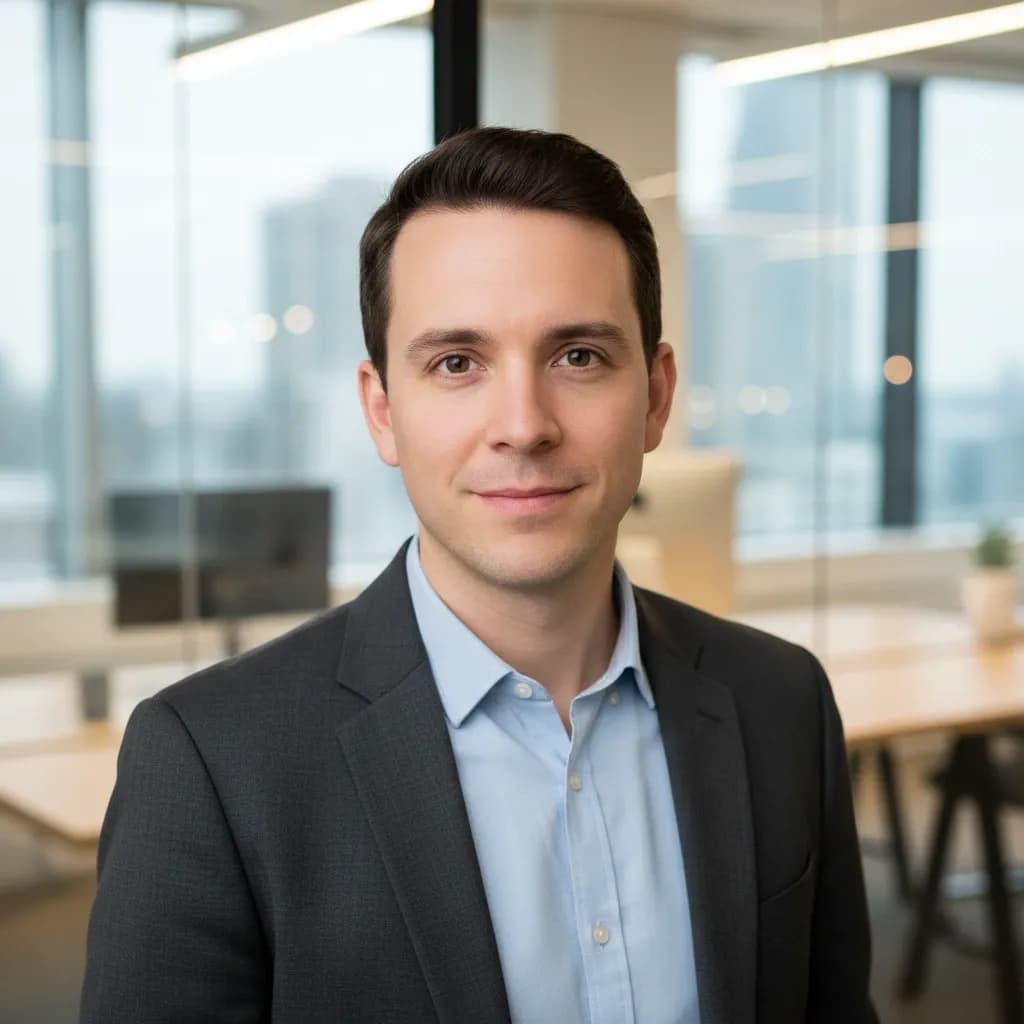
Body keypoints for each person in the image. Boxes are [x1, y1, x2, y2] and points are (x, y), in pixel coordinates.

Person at [81, 127, 876, 1024]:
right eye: (457, 363)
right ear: (382, 413)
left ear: (654, 397)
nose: (524, 425)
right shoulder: (212, 764)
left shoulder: (781, 701)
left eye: (578, 356)